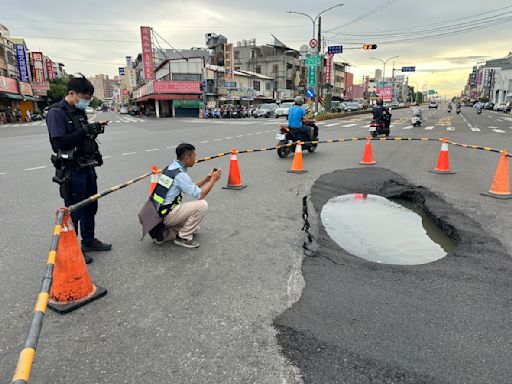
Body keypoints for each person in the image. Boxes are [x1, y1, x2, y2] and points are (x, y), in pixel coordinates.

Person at [46, 75, 111, 264]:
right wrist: (84, 131)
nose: (87, 101)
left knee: (91, 205)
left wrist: (93, 129)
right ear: (71, 93)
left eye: (89, 97)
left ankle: (88, 241)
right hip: (72, 170)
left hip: (87, 166)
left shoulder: (78, 111)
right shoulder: (56, 113)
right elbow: (58, 143)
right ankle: (72, 248)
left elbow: (83, 135)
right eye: (85, 97)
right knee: (74, 211)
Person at [147, 143, 222, 248]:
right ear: (187, 158)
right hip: (166, 214)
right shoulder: (180, 175)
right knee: (202, 205)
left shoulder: (170, 168)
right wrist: (213, 180)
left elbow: (191, 188)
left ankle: (165, 232)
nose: (195, 159)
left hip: (158, 213)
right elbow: (200, 195)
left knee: (195, 229)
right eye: (194, 157)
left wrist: (206, 180)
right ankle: (183, 237)